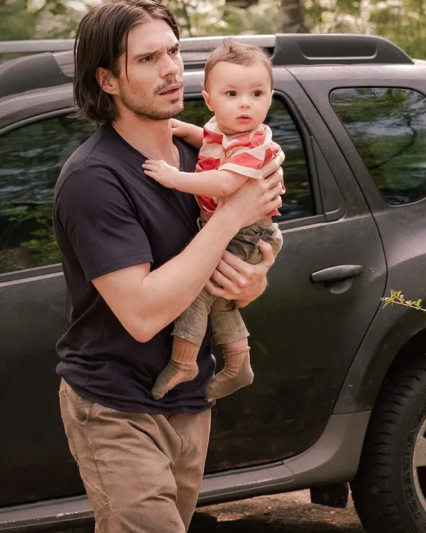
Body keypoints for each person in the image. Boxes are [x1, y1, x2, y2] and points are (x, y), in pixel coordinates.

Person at [52, 1, 285, 531]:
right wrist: (231, 216)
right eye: (149, 58)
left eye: (175, 52)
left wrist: (251, 282)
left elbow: (222, 266)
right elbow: (141, 313)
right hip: (116, 408)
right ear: (108, 79)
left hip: (190, 399)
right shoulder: (95, 180)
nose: (172, 68)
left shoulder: (201, 158)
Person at [142, 39, 284, 401]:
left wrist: (175, 178)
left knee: (197, 294)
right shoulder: (227, 131)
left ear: (270, 97)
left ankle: (184, 361)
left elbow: (224, 182)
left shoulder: (253, 144)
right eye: (232, 93)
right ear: (210, 100)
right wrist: (181, 129)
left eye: (257, 94)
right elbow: (208, 137)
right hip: (233, 227)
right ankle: (238, 365)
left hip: (250, 232)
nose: (245, 103)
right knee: (220, 298)